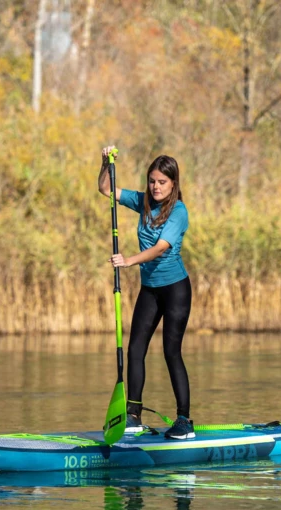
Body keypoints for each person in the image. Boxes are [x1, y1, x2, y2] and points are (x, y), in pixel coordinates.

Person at [98, 146, 194, 439]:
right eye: (152, 181)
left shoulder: (179, 212)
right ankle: (133, 415)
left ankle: (184, 421)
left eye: (162, 182)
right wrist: (105, 163)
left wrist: (128, 260)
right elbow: (106, 189)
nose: (155, 187)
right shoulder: (142, 201)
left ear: (173, 184)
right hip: (150, 290)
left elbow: (160, 248)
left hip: (175, 290)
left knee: (170, 352)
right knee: (135, 349)